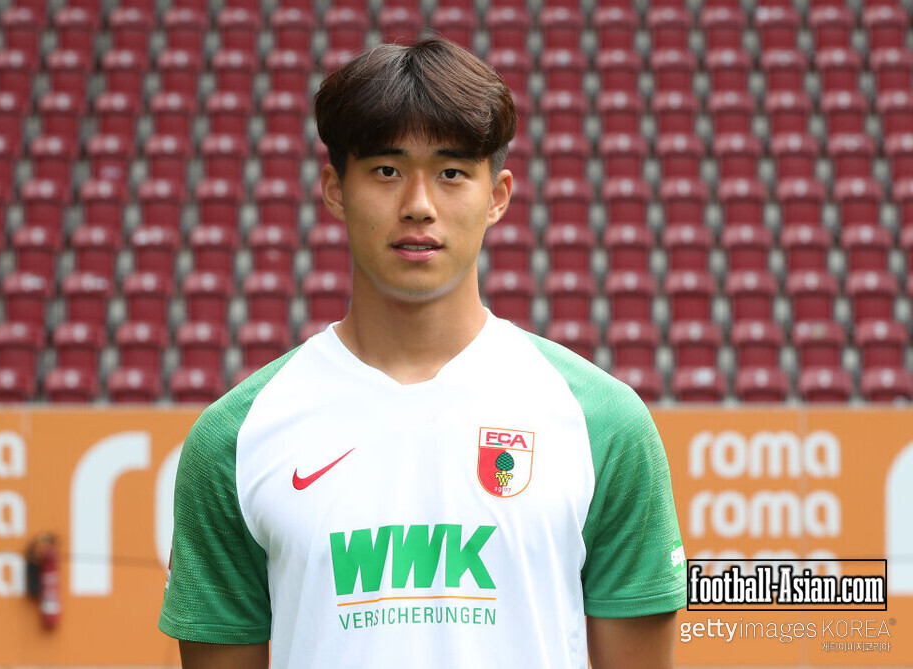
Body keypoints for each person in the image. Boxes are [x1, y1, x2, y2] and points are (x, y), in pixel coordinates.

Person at [159, 37, 686, 669]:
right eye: (386, 171)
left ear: (498, 195)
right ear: (335, 190)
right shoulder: (235, 439)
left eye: (452, 172)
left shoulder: (604, 423)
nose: (418, 205)